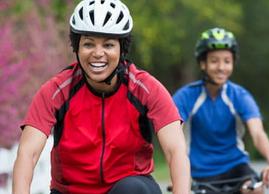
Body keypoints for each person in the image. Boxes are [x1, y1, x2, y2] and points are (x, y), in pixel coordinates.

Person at [12, 0, 190, 194]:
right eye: (88, 44)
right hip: (71, 190)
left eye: (108, 45)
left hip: (128, 187)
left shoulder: (145, 88)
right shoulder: (56, 90)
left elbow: (176, 152)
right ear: (76, 48)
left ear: (122, 49)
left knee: (131, 189)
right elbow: (27, 155)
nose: (98, 53)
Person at [173, 27, 269, 194]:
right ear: (203, 63)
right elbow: (174, 137)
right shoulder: (185, 96)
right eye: (214, 61)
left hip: (236, 167)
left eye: (227, 61)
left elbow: (258, 133)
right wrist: (180, 177)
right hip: (199, 172)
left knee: (256, 189)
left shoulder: (239, 95)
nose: (221, 67)